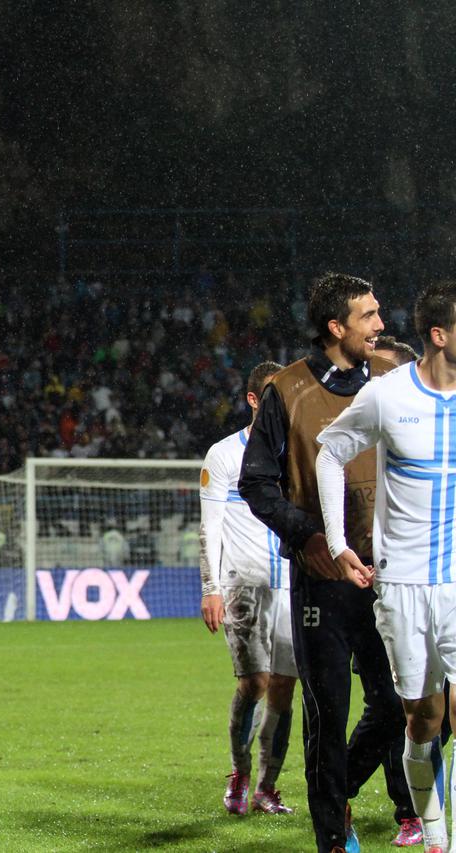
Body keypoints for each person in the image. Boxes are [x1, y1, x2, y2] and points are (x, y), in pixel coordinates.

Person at [240, 272, 415, 853]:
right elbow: (257, 483)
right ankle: (332, 841)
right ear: (336, 327)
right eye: (369, 315)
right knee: (329, 714)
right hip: (323, 580)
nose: (381, 325)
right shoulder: (286, 391)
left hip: (391, 575)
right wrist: (308, 536)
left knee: (397, 707)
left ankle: (338, 794)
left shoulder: (396, 380)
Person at [316, 279, 456, 851]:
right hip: (401, 586)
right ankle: (434, 830)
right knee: (421, 719)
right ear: (440, 335)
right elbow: (330, 452)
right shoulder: (388, 396)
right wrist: (336, 541)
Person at [200, 361, 298, 817]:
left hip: (293, 583)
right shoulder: (223, 455)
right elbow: (210, 527)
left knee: (284, 688)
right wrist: (211, 587)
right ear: (254, 400)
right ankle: (240, 772)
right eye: (274, 398)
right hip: (243, 585)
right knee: (255, 682)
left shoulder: (299, 451)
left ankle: (267, 786)